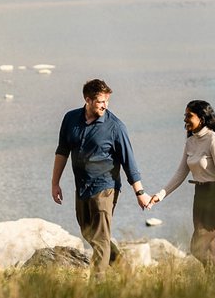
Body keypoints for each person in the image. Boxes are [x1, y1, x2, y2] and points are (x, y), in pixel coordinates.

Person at [52, 78, 148, 278]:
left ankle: (97, 285)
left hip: (105, 187)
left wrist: (139, 192)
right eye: (100, 101)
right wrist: (55, 183)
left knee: (101, 237)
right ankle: (128, 274)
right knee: (89, 233)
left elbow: (129, 161)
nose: (105, 106)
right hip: (82, 186)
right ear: (87, 100)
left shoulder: (115, 127)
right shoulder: (70, 119)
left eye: (107, 101)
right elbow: (62, 151)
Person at [147, 99, 215, 292]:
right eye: (185, 116)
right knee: (209, 249)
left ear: (202, 117)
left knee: (197, 247)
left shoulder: (214, 141)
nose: (185, 120)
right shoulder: (190, 142)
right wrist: (160, 195)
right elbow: (181, 172)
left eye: (189, 116)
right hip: (199, 197)